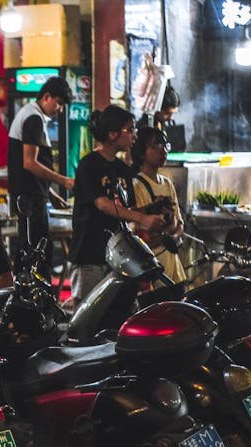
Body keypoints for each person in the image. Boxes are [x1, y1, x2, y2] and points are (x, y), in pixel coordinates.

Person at [68, 106, 165, 309]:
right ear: (112, 134)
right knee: (88, 312)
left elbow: (125, 210)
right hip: (90, 253)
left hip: (119, 256)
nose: (134, 134)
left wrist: (152, 211)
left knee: (118, 314)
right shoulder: (89, 164)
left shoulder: (122, 170)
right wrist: (143, 219)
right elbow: (102, 204)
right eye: (129, 130)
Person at [7, 76, 75, 279]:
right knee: (35, 252)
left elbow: (31, 167)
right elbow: (29, 163)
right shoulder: (34, 118)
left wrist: (50, 192)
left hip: (32, 195)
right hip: (29, 199)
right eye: (59, 103)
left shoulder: (30, 113)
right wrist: (63, 181)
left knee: (32, 248)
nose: (60, 109)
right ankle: (34, 300)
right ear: (47, 97)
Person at [130, 127, 186, 284]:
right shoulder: (136, 186)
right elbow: (143, 230)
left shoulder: (167, 183)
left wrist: (173, 237)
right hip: (153, 271)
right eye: (155, 146)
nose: (162, 151)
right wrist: (169, 233)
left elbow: (179, 223)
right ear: (141, 152)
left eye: (164, 145)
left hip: (174, 268)